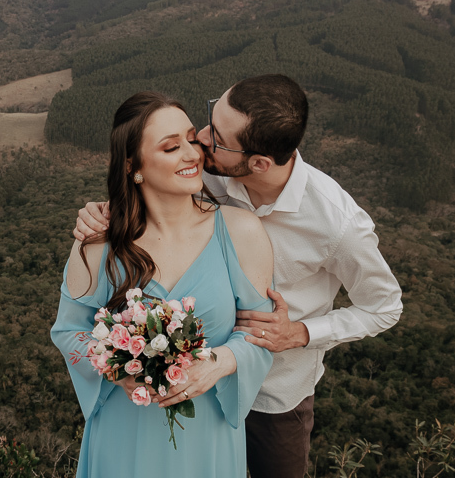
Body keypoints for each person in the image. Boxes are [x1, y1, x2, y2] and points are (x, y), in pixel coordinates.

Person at [74, 75, 404, 478]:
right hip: (170, 397)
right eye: (208, 122)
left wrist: (299, 333)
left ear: (258, 163)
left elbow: (384, 307)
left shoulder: (337, 225)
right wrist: (103, 212)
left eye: (217, 138)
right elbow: (151, 184)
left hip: (274, 393)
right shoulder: (207, 167)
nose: (203, 141)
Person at [51, 91, 277, 477]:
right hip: (125, 435)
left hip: (207, 433)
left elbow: (260, 334)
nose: (192, 154)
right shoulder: (98, 243)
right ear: (132, 165)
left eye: (192, 139)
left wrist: (219, 364)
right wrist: (116, 369)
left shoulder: (240, 231)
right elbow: (69, 331)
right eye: (172, 147)